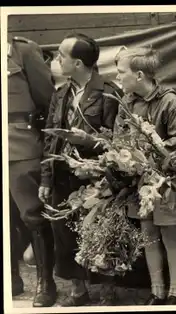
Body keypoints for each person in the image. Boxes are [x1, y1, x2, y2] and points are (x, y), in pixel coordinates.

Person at [40, 32, 121, 306]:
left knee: (100, 232)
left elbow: (117, 142)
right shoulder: (61, 94)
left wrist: (88, 142)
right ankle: (78, 289)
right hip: (63, 175)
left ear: (77, 63)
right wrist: (46, 179)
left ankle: (107, 290)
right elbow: (51, 138)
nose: (57, 60)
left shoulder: (108, 93)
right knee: (64, 233)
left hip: (95, 177)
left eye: (62, 56)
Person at [114, 47, 176, 305]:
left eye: (121, 72)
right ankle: (157, 291)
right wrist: (126, 162)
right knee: (148, 235)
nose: (118, 76)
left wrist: (154, 164)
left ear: (139, 75)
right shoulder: (127, 102)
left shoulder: (170, 101)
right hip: (137, 181)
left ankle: (175, 292)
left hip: (165, 181)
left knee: (169, 235)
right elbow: (118, 140)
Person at [8, 35, 56, 307]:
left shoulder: (21, 50)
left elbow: (47, 100)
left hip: (19, 145)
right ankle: (11, 280)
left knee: (33, 215)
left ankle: (45, 283)